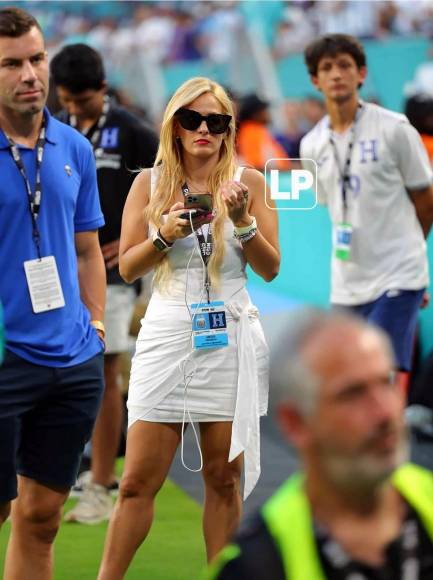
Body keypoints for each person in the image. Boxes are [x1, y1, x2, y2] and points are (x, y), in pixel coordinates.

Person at [97, 76, 280, 578]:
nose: (204, 129)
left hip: (231, 334)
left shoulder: (251, 182)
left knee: (224, 478)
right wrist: (164, 237)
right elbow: (129, 267)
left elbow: (270, 268)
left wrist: (243, 221)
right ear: (174, 126)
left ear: (228, 129)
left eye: (216, 121)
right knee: (135, 481)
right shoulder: (148, 184)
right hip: (168, 330)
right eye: (192, 119)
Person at [208, 309, 433, 579]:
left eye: (387, 383)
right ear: (294, 422)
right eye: (353, 394)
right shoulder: (253, 566)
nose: (385, 413)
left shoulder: (426, 500)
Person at [0, 7, 105, 580]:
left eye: (37, 59)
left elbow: (88, 249)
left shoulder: (74, 148)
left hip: (72, 358)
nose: (30, 74)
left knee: (42, 518)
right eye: (12, 64)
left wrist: (96, 326)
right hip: (5, 358)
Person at [50, 43, 159, 525]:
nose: (73, 109)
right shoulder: (54, 128)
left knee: (103, 367)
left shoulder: (133, 132)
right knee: (65, 367)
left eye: (81, 101)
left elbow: (165, 189)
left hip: (115, 271)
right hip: (58, 272)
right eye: (67, 101)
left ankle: (100, 483)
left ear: (103, 89)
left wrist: (135, 240)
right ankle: (76, 472)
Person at [299, 34, 433, 390]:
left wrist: (412, 260)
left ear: (361, 73)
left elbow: (425, 196)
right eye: (327, 68)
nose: (336, 74)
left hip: (398, 273)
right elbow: (330, 204)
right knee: (349, 375)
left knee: (375, 371)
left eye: (344, 65)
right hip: (348, 281)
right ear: (315, 80)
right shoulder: (310, 144)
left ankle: (390, 443)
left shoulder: (395, 128)